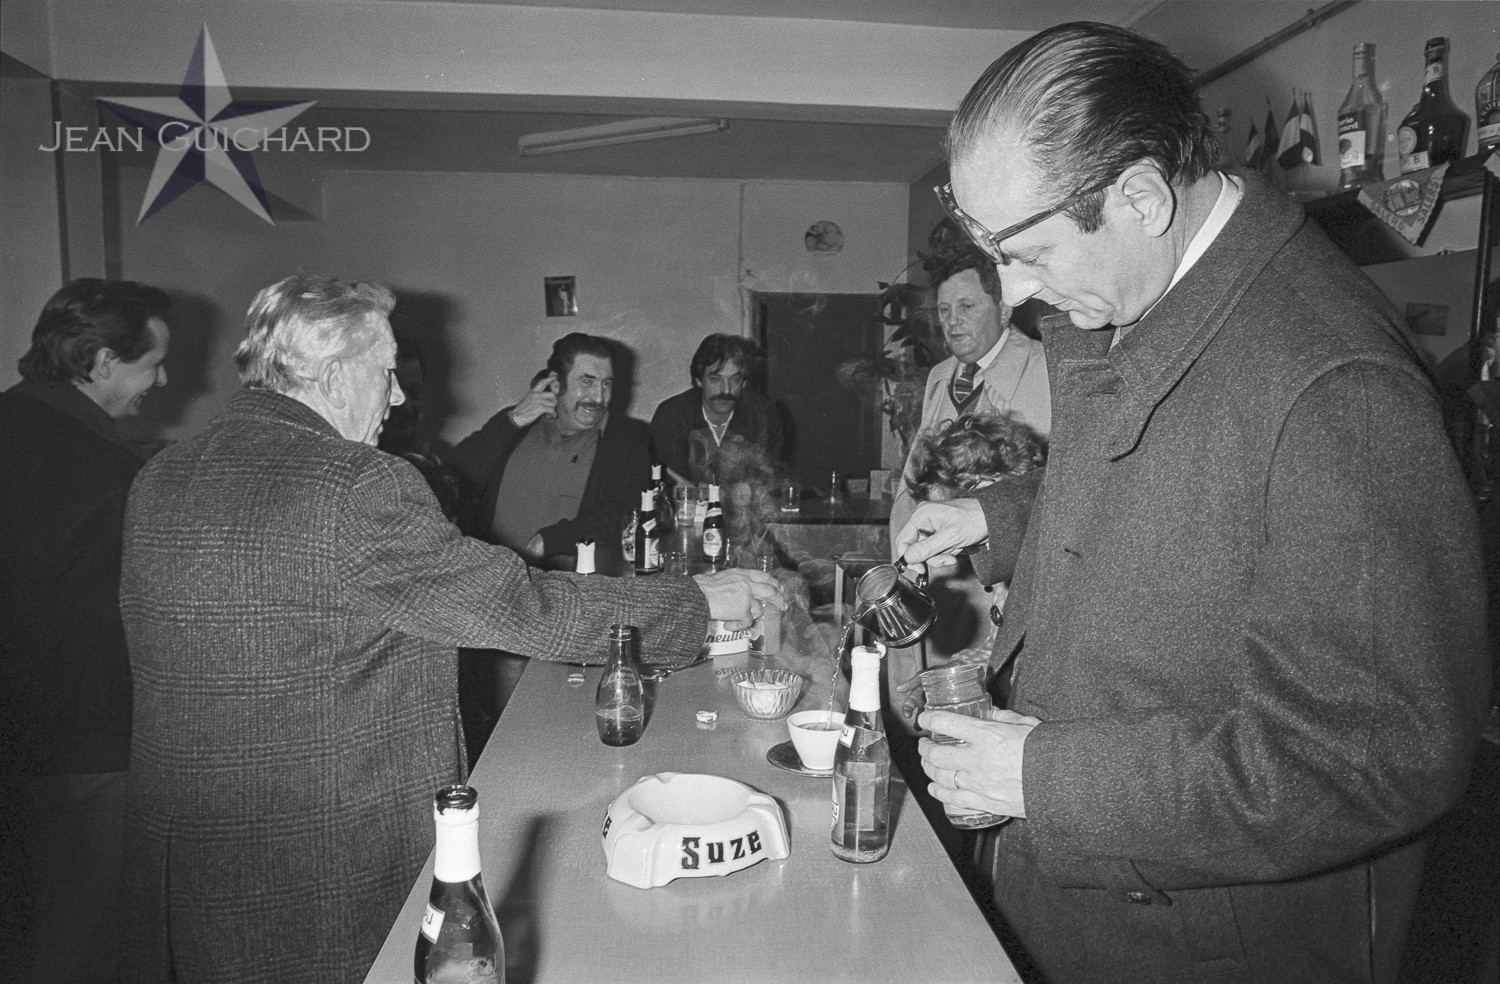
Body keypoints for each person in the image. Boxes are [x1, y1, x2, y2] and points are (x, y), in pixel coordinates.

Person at [897, 22, 1489, 984]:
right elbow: (1193, 487)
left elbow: (1382, 753)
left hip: (1199, 942)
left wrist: (1040, 777)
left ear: (1140, 196)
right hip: (1086, 905)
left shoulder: (1334, 380)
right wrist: (997, 517)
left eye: (1027, 253)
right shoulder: (1157, 293)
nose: (1012, 293)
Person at [118, 275, 780, 984]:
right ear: (335, 375)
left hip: (190, 858)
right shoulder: (356, 483)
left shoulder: (162, 474)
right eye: (386, 372)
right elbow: (517, 604)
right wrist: (694, 602)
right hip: (321, 864)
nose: (398, 397)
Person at [0, 278, 170, 984]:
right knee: (86, 941)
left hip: (17, 737)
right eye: (153, 363)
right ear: (101, 362)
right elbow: (121, 624)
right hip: (86, 747)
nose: (163, 381)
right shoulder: (107, 471)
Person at [449, 332, 650, 574]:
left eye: (606, 384)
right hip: (491, 577)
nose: (598, 397)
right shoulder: (517, 425)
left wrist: (548, 541)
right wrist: (512, 421)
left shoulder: (629, 438)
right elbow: (451, 480)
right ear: (555, 384)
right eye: (587, 382)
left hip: (569, 586)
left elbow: (622, 511)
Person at [888, 241, 1051, 538]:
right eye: (944, 309)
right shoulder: (940, 376)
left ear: (1003, 309)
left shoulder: (1047, 369)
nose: (952, 321)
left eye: (967, 306)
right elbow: (916, 477)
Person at [650, 333, 784, 484]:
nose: (726, 390)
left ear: (744, 383)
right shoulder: (672, 414)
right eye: (715, 379)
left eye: (735, 379)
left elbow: (766, 479)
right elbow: (672, 481)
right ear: (699, 380)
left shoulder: (763, 414)